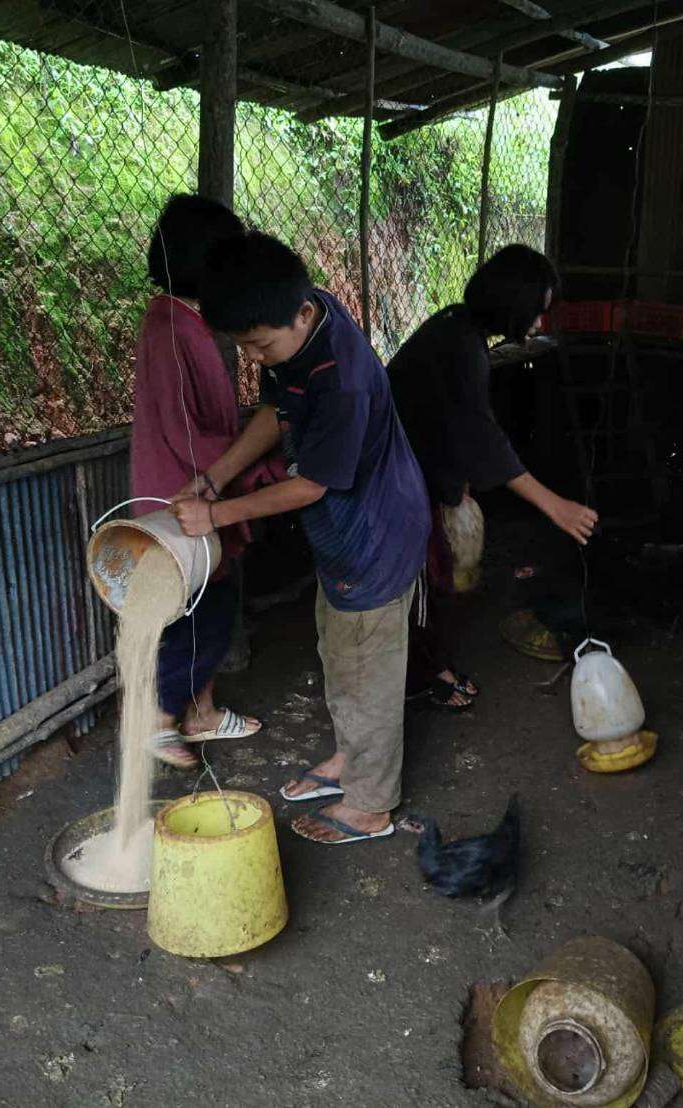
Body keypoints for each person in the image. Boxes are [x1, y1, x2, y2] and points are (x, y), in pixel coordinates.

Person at [170, 232, 430, 845]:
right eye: (244, 345)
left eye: (259, 344)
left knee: (369, 665)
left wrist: (218, 514)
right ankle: (351, 756)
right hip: (343, 535)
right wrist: (213, 478)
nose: (255, 357)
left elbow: (311, 485)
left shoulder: (341, 378)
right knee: (339, 647)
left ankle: (371, 803)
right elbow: (273, 414)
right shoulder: (294, 325)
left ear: (304, 314)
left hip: (376, 534)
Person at [387, 244, 597, 711]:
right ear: (514, 303)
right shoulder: (462, 345)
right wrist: (554, 505)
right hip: (396, 475)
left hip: (414, 466)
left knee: (433, 579)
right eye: (537, 312)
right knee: (426, 583)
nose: (540, 324)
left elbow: (450, 419)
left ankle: (421, 668)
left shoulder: (457, 325)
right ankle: (420, 676)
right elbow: (482, 438)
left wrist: (452, 479)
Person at [130, 195, 278, 768]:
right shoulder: (170, 327)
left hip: (197, 487)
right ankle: (161, 717)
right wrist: (262, 467)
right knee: (204, 610)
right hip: (185, 495)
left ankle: (202, 713)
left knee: (211, 599)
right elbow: (187, 435)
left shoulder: (180, 320)